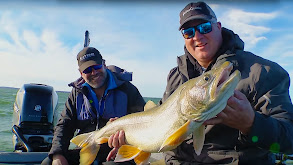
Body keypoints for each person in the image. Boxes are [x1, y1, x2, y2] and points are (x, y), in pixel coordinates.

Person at [107, 1, 293, 165]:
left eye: (204, 27)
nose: (197, 36)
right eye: (188, 32)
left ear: (218, 26)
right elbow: (157, 118)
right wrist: (128, 136)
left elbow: (289, 139)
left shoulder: (263, 72)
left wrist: (251, 124)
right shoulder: (175, 75)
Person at [42, 47, 145, 165]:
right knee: (49, 162)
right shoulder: (77, 93)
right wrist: (58, 154)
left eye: (96, 67)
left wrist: (125, 143)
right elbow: (64, 125)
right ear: (81, 73)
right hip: (86, 149)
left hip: (118, 152)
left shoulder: (127, 89)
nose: (94, 73)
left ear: (104, 64)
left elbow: (144, 124)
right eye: (87, 70)